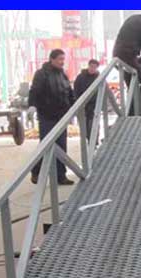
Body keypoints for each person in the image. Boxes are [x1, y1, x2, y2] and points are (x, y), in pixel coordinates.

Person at [28, 49, 75, 185]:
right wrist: (32, 105)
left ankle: (61, 176)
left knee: (61, 146)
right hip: (47, 116)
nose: (62, 62)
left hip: (61, 116)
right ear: (52, 59)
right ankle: (36, 171)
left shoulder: (62, 75)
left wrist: (75, 107)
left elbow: (69, 92)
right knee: (46, 145)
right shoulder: (42, 74)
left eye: (63, 59)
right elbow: (34, 91)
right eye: (60, 59)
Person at [74, 58, 103, 141]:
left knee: (94, 124)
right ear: (88, 66)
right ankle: (87, 140)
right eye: (91, 66)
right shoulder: (80, 77)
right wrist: (78, 102)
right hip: (83, 104)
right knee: (85, 125)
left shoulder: (99, 78)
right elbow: (76, 90)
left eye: (94, 67)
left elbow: (102, 91)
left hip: (94, 105)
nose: (92, 69)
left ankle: (94, 141)